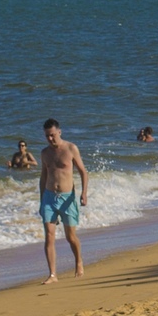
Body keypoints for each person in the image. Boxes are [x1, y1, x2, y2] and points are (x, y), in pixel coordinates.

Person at [38, 118, 90, 283]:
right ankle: (52, 274)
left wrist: (84, 193)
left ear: (59, 132)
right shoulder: (44, 153)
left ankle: (79, 262)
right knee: (49, 236)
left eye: (52, 135)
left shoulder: (71, 148)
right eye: (47, 136)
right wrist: (41, 200)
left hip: (67, 198)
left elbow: (83, 172)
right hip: (49, 198)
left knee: (70, 237)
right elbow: (43, 176)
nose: (50, 138)